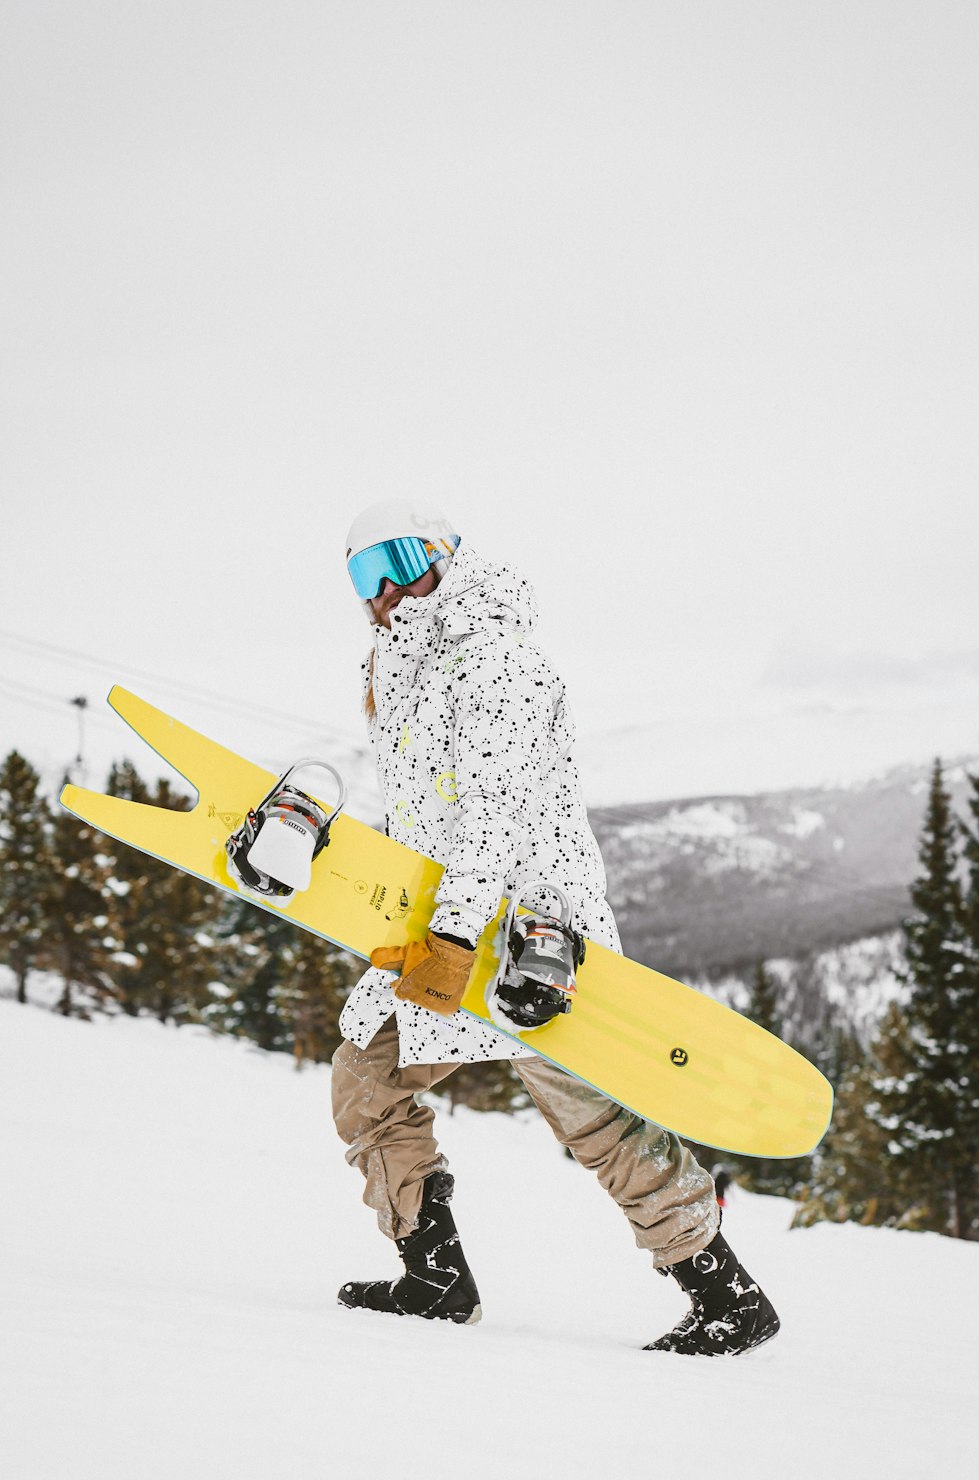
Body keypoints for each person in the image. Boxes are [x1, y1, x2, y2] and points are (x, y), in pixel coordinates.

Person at [331, 501, 779, 1355]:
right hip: (441, 930)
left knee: (594, 1118)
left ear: (447, 555)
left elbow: (491, 814)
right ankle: (433, 1276)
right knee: (366, 1079)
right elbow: (424, 819)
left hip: (524, 941)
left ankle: (727, 1298)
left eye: (399, 560)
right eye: (364, 575)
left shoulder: (495, 658)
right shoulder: (401, 672)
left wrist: (457, 938)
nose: (386, 590)